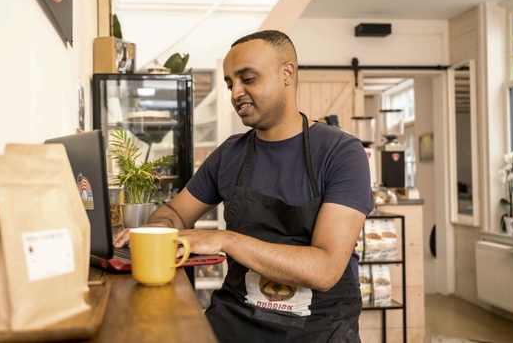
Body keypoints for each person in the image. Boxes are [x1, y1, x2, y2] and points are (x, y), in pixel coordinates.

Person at [114, 30, 374, 342]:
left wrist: (225, 240)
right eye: (229, 84)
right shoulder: (229, 153)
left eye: (248, 78)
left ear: (287, 73)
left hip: (318, 329)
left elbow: (325, 268)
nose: (236, 92)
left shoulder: (341, 152)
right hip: (236, 321)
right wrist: (157, 231)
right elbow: (174, 212)